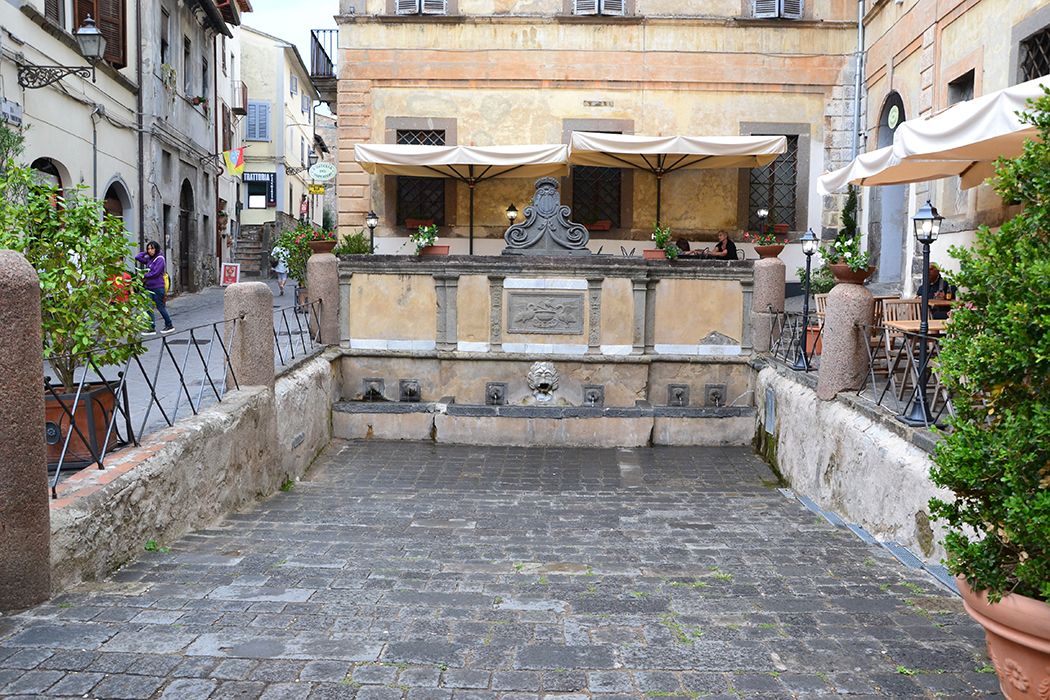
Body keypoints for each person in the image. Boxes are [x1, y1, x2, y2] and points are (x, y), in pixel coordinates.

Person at [134, 241, 174, 335]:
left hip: (158, 287)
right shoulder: (149, 259)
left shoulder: (160, 259)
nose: (150, 251)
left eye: (152, 249)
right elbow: (138, 257)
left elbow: (155, 273)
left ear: (156, 249)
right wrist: (146, 252)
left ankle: (169, 324)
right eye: (149, 249)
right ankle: (151, 327)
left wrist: (145, 275)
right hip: (149, 287)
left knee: (160, 307)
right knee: (148, 307)